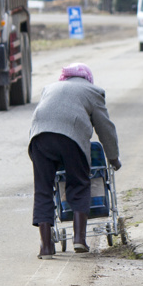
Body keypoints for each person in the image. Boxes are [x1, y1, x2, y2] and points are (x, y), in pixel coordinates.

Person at [28, 62, 121, 258]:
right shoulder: (93, 91)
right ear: (87, 78)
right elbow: (105, 128)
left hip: (39, 138)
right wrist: (113, 157)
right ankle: (79, 239)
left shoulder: (50, 88)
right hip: (71, 138)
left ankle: (46, 247)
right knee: (79, 183)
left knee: (43, 189)